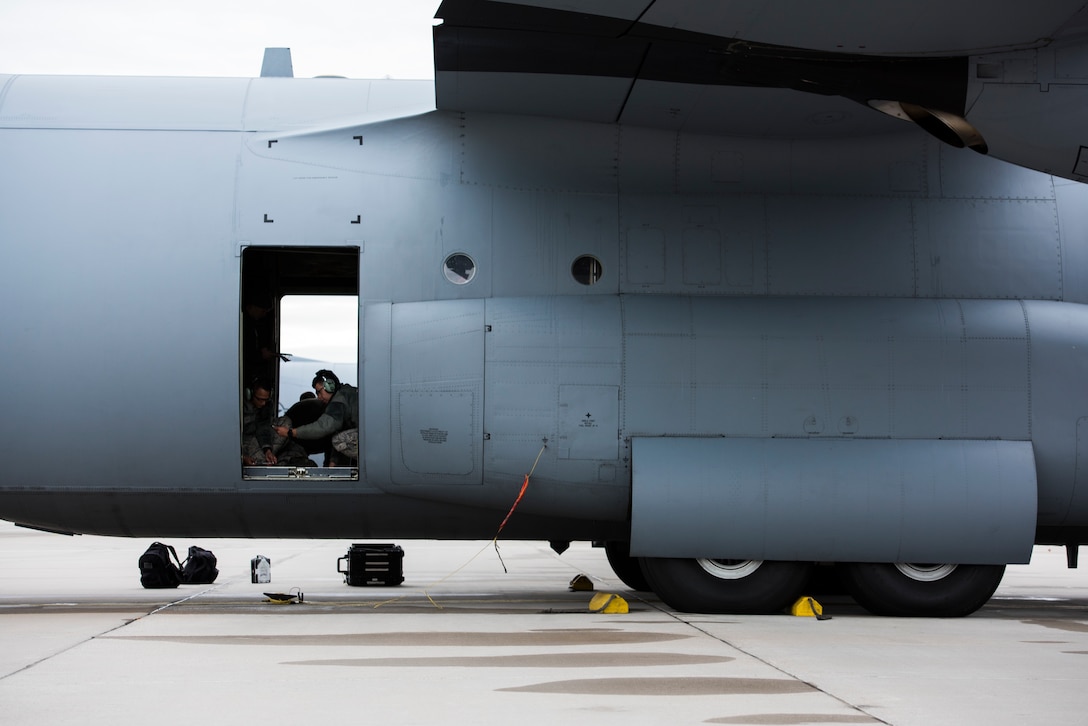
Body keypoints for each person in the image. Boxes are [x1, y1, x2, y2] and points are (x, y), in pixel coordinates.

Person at [275, 369, 359, 463]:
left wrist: (290, 432)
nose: (318, 397)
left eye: (319, 392)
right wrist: (333, 462)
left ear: (329, 387)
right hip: (368, 435)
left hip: (368, 437)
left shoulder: (338, 401)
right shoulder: (346, 393)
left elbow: (322, 427)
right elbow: (341, 429)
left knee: (338, 440)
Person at [241, 378, 276, 465]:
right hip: (243, 442)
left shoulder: (267, 406)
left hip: (257, 438)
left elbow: (263, 427)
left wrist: (267, 450)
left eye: (265, 400)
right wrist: (242, 457)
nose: (263, 403)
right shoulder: (239, 406)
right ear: (250, 394)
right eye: (259, 399)